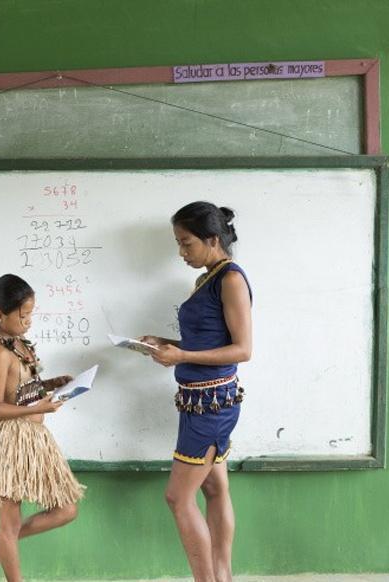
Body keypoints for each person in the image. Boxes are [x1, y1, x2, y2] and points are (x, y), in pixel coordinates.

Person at [141, 202, 252, 582]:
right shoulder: (210, 277)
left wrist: (182, 355)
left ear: (212, 239)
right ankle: (222, 577)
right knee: (214, 488)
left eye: (186, 244)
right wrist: (167, 342)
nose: (181, 252)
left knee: (177, 498)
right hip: (204, 401)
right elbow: (209, 339)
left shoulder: (231, 279)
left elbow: (243, 349)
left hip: (211, 405)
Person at [0, 274, 85, 581]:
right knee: (9, 523)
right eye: (23, 315)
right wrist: (40, 407)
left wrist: (50, 383)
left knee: (67, 509)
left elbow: (19, 387)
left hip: (35, 440)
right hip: (9, 441)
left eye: (31, 313)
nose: (29, 321)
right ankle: (3, 546)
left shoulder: (19, 343)